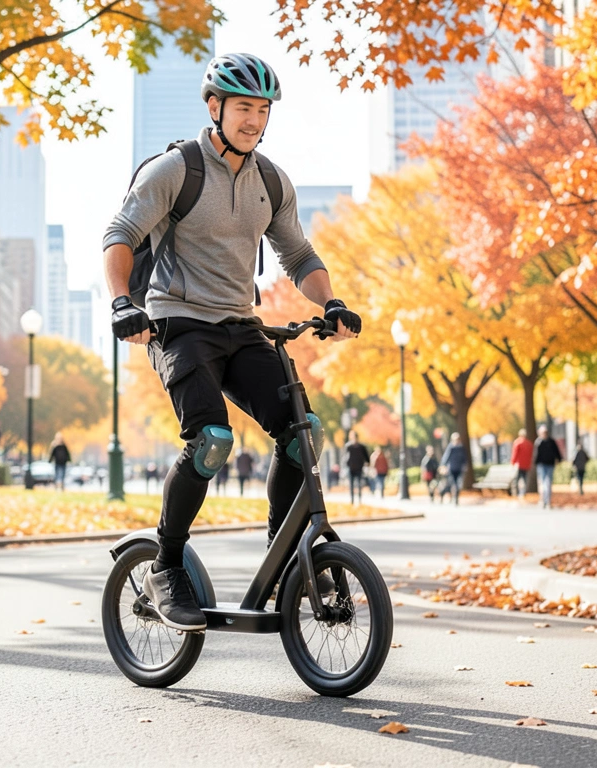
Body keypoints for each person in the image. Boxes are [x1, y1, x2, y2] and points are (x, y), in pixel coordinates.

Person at [103, 53, 362, 631]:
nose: (254, 120)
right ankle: (166, 567)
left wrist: (331, 303)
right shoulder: (175, 170)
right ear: (215, 107)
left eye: (262, 110)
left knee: (304, 433)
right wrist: (124, 302)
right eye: (243, 107)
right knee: (212, 439)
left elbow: (298, 255)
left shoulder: (271, 179)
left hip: (239, 325)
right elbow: (120, 234)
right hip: (178, 323)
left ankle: (285, 546)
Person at [532, 426, 563, 509]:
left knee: (546, 483)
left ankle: (546, 501)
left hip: (548, 465)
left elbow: (556, 452)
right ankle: (544, 500)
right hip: (542, 465)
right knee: (544, 483)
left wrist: (559, 459)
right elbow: (536, 454)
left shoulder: (547, 442)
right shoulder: (540, 442)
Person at [344, 432, 371, 504]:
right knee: (351, 485)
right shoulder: (348, 446)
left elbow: (366, 456)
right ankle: (352, 500)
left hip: (359, 467)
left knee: (359, 484)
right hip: (351, 468)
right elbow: (346, 456)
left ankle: (359, 500)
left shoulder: (362, 447)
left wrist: (368, 462)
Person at [442, 432, 468, 505]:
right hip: (452, 468)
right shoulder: (451, 447)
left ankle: (456, 498)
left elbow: (464, 458)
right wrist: (443, 465)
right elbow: (446, 457)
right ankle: (453, 497)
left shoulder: (461, 448)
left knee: (458, 484)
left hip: (459, 468)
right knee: (453, 483)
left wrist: (465, 465)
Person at [511, 429, 534, 500]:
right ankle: (523, 492)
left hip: (519, 464)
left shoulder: (517, 442)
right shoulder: (529, 444)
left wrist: (513, 462)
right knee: (524, 479)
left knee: (516, 479)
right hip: (526, 464)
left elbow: (515, 453)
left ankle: (516, 493)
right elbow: (531, 455)